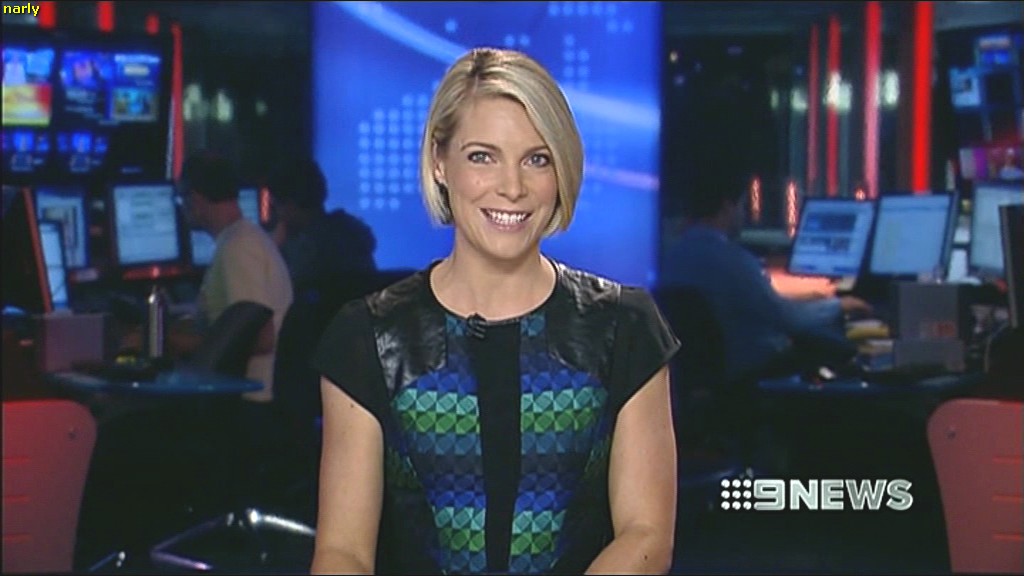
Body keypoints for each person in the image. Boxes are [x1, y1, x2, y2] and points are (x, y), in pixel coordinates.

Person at [310, 48, 679, 575]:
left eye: (537, 159)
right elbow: (342, 552)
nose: (512, 187)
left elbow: (646, 535)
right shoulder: (368, 336)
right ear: (440, 162)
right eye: (483, 156)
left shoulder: (625, 328)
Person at [660, 162, 874, 383]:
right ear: (727, 207)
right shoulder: (733, 261)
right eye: (742, 206)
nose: (743, 214)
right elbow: (787, 318)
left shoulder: (673, 256)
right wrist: (840, 305)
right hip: (751, 371)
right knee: (835, 346)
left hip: (704, 376)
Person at [171, 151, 294, 401]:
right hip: (248, 397)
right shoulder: (244, 239)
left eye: (181, 199)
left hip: (249, 402)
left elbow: (260, 338)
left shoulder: (238, 248)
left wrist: (171, 342)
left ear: (195, 200)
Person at [266, 157, 378, 293]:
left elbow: (276, 293)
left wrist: (272, 249)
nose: (277, 215)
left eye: (276, 205)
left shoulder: (307, 250)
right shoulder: (351, 232)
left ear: (290, 205)